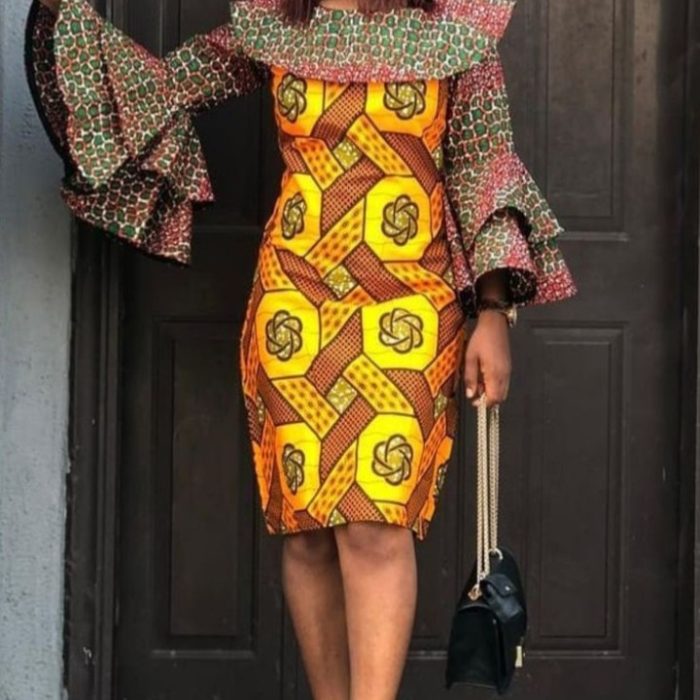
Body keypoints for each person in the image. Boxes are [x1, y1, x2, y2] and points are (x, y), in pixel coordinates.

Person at [27, 0, 577, 697]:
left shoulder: (458, 28)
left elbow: (485, 164)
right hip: (296, 297)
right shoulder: (274, 23)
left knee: (376, 525)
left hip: (410, 301)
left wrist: (493, 311)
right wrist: (72, 46)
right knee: (309, 528)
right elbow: (165, 86)